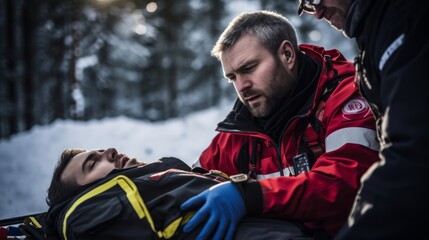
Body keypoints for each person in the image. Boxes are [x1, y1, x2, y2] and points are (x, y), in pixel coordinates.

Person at [180, 10, 380, 240]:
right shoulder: (242, 127)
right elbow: (192, 180)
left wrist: (252, 196)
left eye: (249, 68)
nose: (241, 86)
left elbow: (345, 184)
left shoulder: (347, 96)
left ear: (287, 55)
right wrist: (148, 172)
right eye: (233, 77)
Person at [297, 1, 429, 239]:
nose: (316, 13)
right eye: (308, 4)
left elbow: (414, 152)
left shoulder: (404, 21)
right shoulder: (377, 31)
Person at [41, 148, 313, 240]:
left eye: (100, 151)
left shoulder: (164, 183)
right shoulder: (100, 219)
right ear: (92, 200)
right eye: (93, 164)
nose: (110, 151)